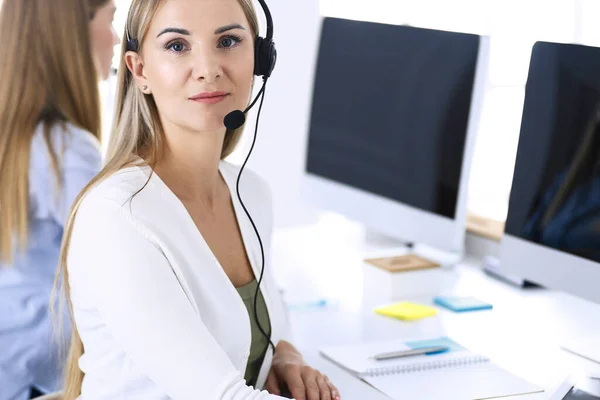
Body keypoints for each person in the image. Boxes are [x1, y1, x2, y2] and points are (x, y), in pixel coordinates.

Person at [55, 0, 342, 399]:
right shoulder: (118, 217)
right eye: (177, 46)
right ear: (140, 71)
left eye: (228, 41)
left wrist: (285, 356)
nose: (208, 68)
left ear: (260, 59)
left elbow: (265, 321)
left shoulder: (251, 193)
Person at [0, 0, 120, 398]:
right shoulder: (65, 150)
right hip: (38, 375)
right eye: (112, 20)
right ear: (74, 31)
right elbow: (118, 275)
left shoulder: (21, 135)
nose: (117, 39)